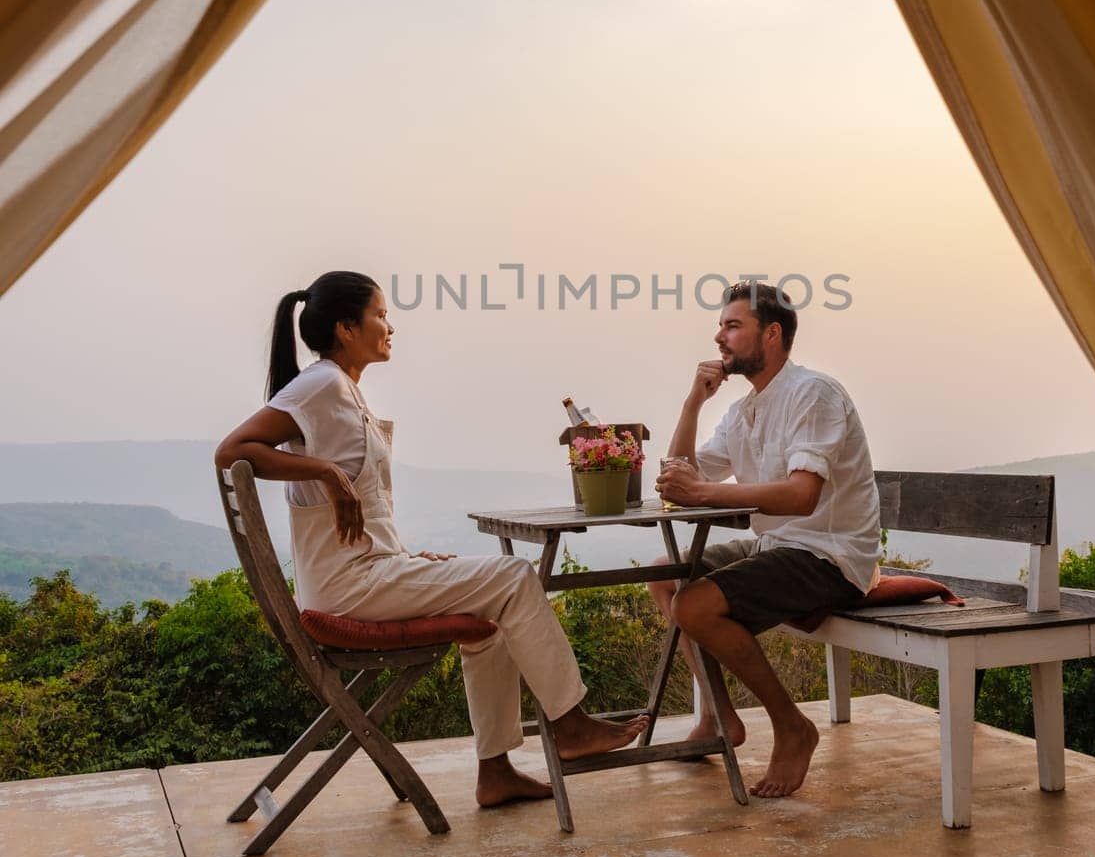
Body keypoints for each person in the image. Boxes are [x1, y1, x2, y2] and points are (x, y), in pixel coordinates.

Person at [215, 270, 646, 809]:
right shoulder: (323, 383)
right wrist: (326, 471)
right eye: (380, 315)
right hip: (351, 589)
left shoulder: (342, 389)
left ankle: (496, 771)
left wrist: (406, 558)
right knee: (513, 576)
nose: (389, 326)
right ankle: (572, 724)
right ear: (347, 328)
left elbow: (361, 511)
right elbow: (231, 451)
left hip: (365, 574)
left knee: (487, 626)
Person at [653, 281, 880, 800]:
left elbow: (803, 496)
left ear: (771, 334)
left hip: (830, 554)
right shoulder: (742, 411)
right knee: (667, 578)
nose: (719, 337)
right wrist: (693, 402)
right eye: (721, 325)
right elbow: (677, 481)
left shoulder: (813, 394)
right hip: (778, 548)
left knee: (695, 606)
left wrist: (705, 491)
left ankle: (792, 726)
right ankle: (715, 717)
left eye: (733, 326)